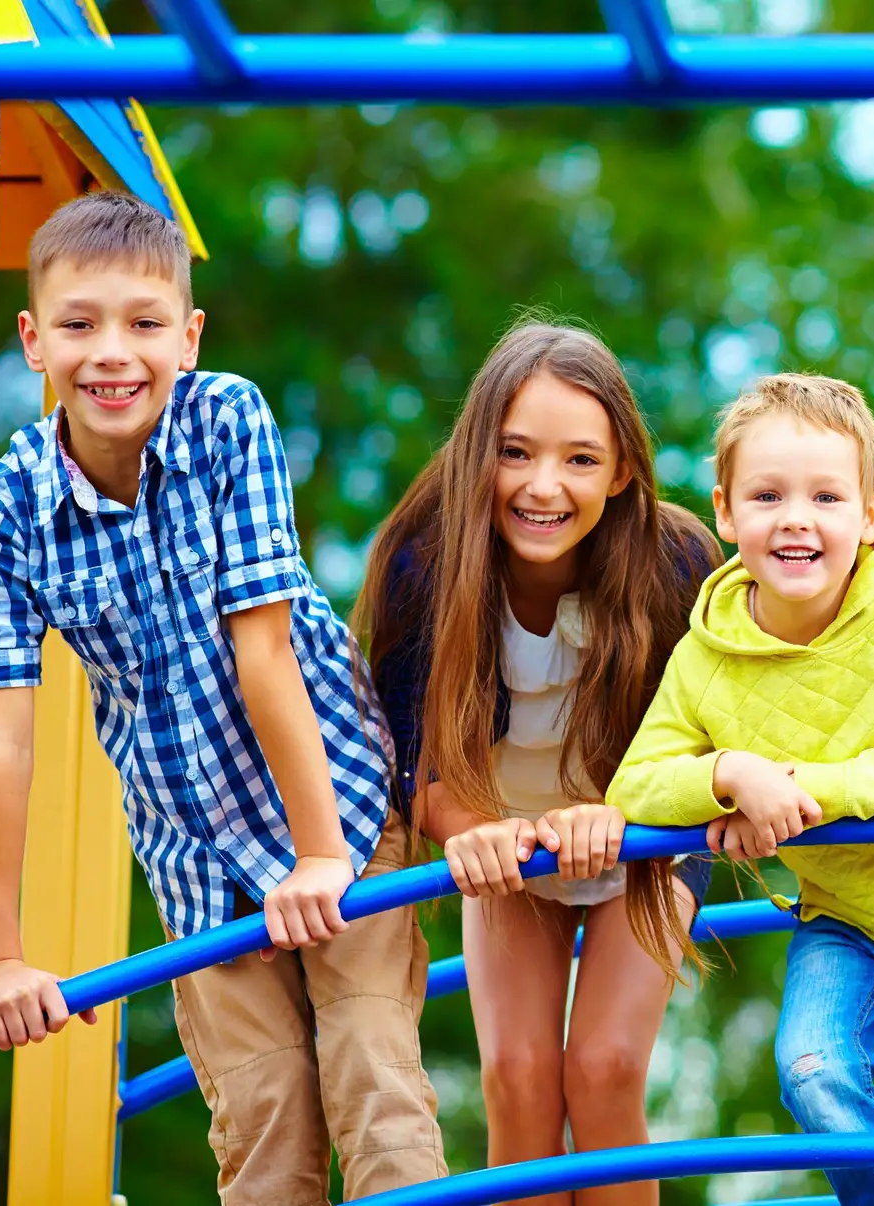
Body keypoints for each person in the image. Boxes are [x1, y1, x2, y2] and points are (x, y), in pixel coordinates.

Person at [0, 191, 444, 1203]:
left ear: (188, 337)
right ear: (33, 340)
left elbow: (262, 653)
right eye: (79, 324)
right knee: (264, 1123)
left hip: (338, 813)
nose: (112, 353)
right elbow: (3, 736)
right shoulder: (8, 510)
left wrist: (318, 855)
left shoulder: (226, 420)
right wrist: (1, 959)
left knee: (372, 1073)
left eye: (144, 324)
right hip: (194, 861)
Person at [607, 373, 874, 1206]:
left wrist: (797, 790)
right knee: (812, 1075)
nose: (797, 518)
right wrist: (732, 776)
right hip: (840, 921)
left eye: (826, 497)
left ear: (870, 515)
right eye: (768, 496)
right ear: (727, 513)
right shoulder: (708, 653)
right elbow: (636, 789)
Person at [355, 320, 720, 1206]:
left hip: (645, 843)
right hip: (504, 843)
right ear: (478, 447)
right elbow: (419, 769)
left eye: (580, 461)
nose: (542, 487)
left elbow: (711, 739)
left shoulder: (676, 564)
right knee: (518, 1077)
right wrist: (475, 837)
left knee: (602, 1068)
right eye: (514, 453)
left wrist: (631, 820)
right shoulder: (426, 563)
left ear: (624, 470)